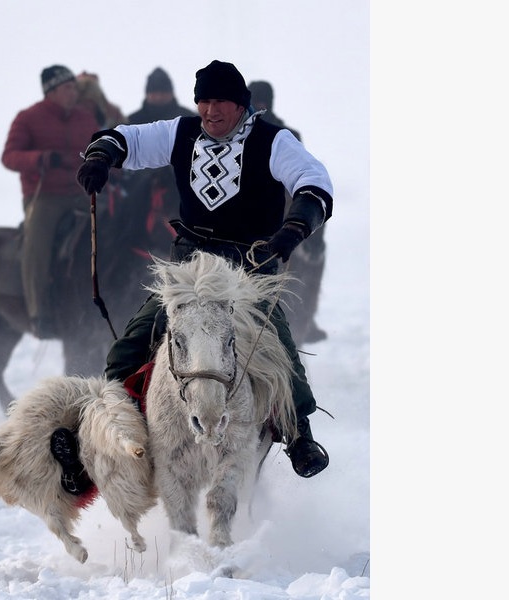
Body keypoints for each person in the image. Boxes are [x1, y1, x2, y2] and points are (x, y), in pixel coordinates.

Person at [69, 59, 333, 489]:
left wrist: (293, 229)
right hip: (191, 266)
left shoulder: (273, 140)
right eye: (203, 101)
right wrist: (102, 155)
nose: (210, 110)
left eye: (220, 101)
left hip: (251, 267)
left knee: (278, 350)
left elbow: (314, 181)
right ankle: (106, 435)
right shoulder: (181, 132)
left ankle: (300, 434)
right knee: (128, 347)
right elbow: (128, 139)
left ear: (241, 105)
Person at [0, 65, 100, 340]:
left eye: (74, 87)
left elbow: (99, 147)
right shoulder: (28, 118)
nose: (74, 92)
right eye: (68, 88)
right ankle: (38, 312)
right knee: (37, 244)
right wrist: (41, 159)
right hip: (45, 196)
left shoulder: (85, 118)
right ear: (52, 91)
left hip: (82, 193)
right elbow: (9, 157)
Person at [249, 80, 328, 343]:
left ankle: (306, 319)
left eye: (263, 101)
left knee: (312, 259)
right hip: (249, 216)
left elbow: (304, 179)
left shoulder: (287, 135)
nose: (260, 107)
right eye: (256, 101)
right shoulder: (237, 136)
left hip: (284, 211)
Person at [118, 68, 199, 262]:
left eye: (164, 92)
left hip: (180, 174)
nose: (160, 97)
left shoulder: (187, 118)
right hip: (142, 176)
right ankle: (131, 237)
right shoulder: (133, 120)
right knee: (136, 194)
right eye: (155, 92)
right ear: (147, 94)